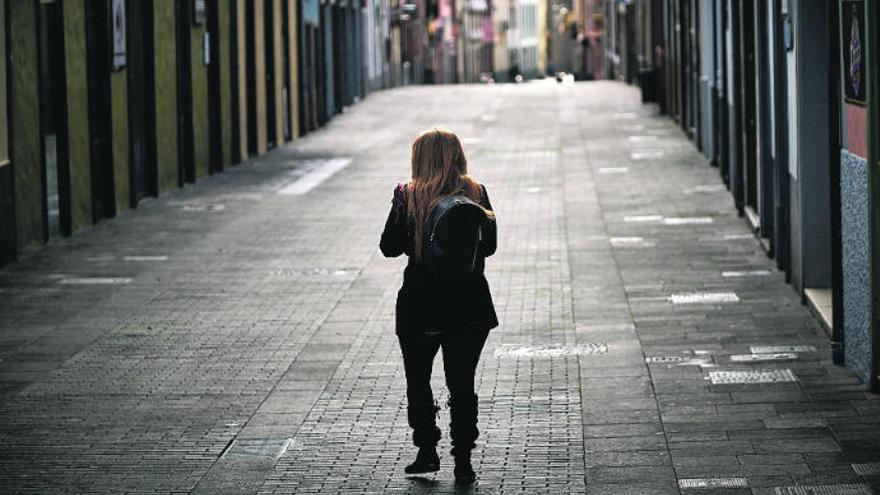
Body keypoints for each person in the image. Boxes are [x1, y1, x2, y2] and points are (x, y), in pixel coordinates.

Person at [379, 128, 498, 484]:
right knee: (462, 383)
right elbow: (489, 247)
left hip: (421, 304)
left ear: (419, 159)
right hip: (470, 304)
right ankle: (463, 461)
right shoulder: (476, 193)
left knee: (419, 379)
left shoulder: (408, 195)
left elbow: (388, 247)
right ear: (458, 156)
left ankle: (427, 450)